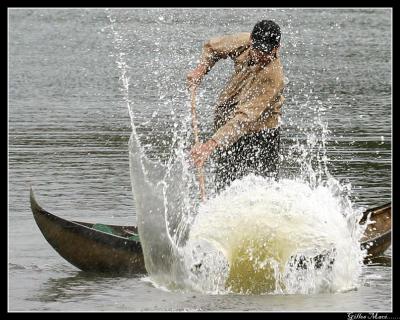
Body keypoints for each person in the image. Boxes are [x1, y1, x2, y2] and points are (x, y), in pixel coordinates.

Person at [188, 20, 285, 192]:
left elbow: (245, 119)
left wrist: (208, 146)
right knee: (225, 188)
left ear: (277, 48)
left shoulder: (273, 76)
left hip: (261, 135)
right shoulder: (244, 41)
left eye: (267, 52)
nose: (261, 56)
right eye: (258, 50)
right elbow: (212, 48)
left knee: (264, 191)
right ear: (252, 42)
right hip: (229, 127)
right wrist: (200, 71)